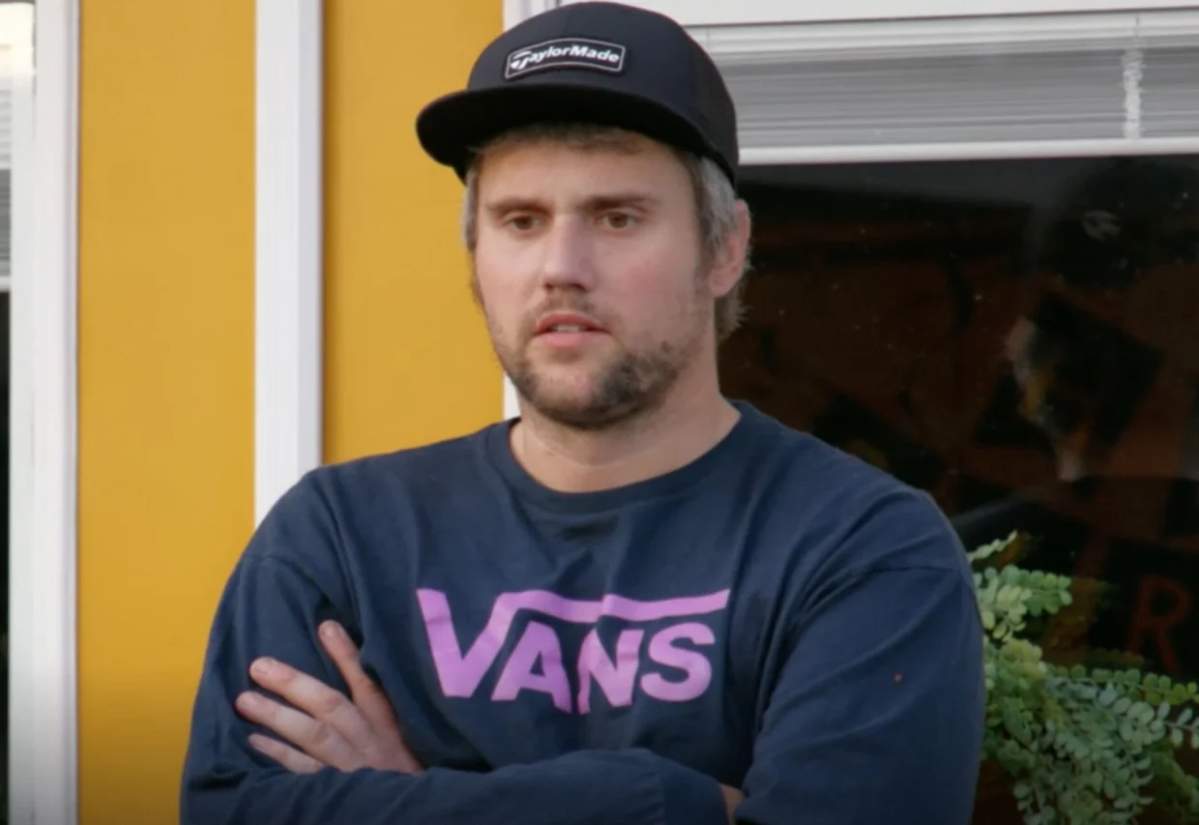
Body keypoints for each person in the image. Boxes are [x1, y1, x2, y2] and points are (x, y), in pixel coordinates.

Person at [180, 3, 985, 823]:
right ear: (476, 255)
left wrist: (405, 797)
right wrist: (668, 802)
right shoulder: (340, 536)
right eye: (520, 221)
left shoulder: (860, 547)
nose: (561, 267)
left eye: (616, 217)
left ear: (724, 247)